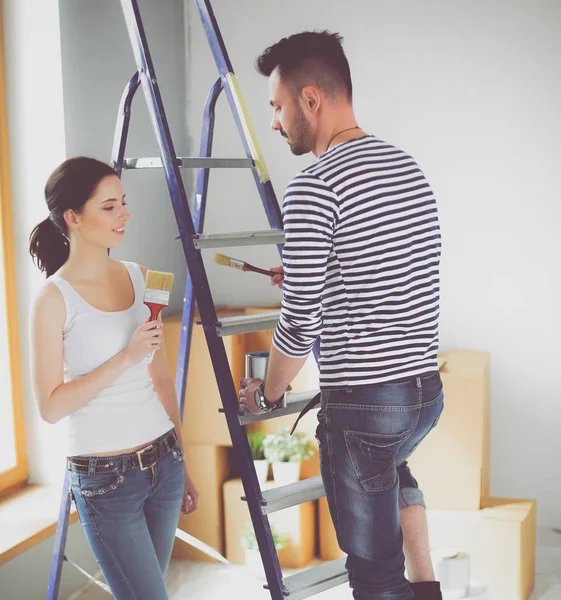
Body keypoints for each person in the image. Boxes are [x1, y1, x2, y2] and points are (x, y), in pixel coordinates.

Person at [238, 32, 444, 600]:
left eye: (278, 107)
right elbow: (394, 269)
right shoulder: (407, 169)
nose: (276, 123)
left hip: (365, 406)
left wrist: (270, 395)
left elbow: (299, 321)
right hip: (423, 393)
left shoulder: (315, 185)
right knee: (393, 477)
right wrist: (319, 275)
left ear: (310, 99)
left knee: (374, 576)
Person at [29, 157, 198, 600]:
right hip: (106, 482)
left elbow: (160, 379)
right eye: (109, 207)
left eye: (123, 203)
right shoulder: (52, 299)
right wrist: (124, 358)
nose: (124, 215)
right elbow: (50, 406)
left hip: (165, 462)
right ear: (73, 217)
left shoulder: (142, 277)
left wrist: (183, 461)